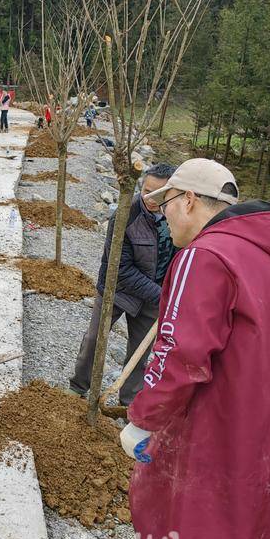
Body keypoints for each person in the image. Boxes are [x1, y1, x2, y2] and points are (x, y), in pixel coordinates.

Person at [120, 159, 270, 539]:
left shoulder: (204, 256)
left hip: (217, 435)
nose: (163, 216)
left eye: (166, 204)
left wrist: (143, 419)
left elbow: (178, 354)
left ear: (188, 200)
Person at [69, 164, 177, 405]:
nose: (150, 199)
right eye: (146, 191)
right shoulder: (126, 214)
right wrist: (162, 295)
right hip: (117, 291)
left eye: (158, 194)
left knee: (141, 353)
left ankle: (128, 402)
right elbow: (121, 270)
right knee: (94, 339)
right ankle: (78, 387)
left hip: (153, 298)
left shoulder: (177, 215)